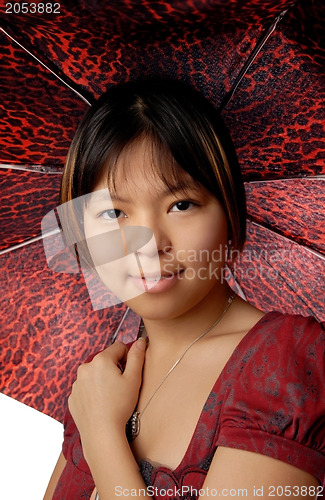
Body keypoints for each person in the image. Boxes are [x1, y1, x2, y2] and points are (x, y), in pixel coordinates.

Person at [44, 79, 325, 500]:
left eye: (181, 204)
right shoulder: (101, 378)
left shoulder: (288, 359)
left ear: (230, 214)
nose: (149, 242)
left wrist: (103, 434)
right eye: (113, 211)